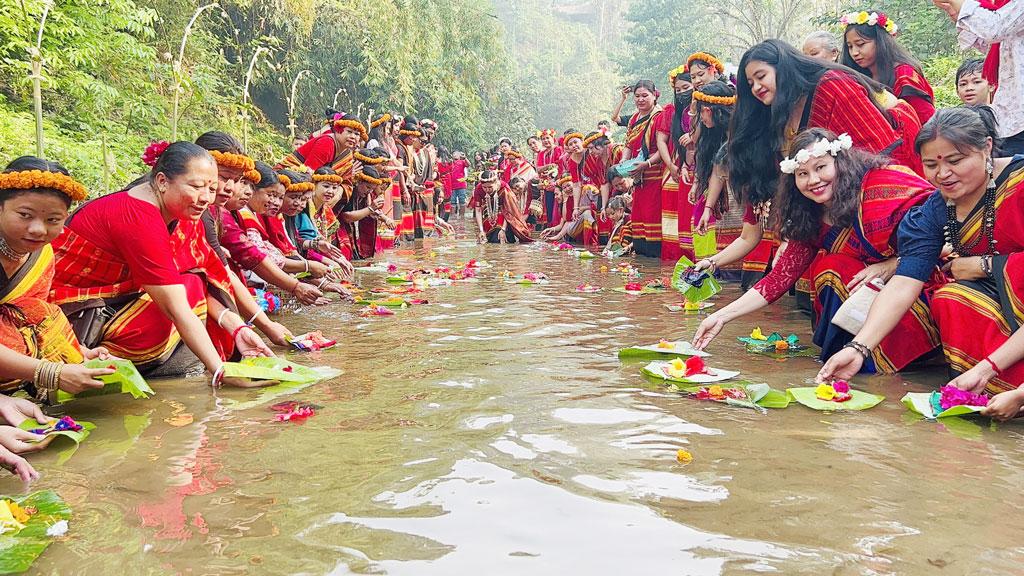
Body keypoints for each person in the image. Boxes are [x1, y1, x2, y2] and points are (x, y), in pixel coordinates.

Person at [693, 128, 939, 372]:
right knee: (829, 268)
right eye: (802, 173)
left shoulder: (880, 185)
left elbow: (942, 231)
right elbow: (778, 279)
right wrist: (720, 316)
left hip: (919, 285)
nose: (813, 180)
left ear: (840, 162)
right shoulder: (810, 217)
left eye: (821, 168)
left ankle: (880, 360)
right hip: (866, 295)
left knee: (833, 267)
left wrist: (890, 265)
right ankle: (848, 363)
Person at [819, 107, 1023, 389]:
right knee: (951, 298)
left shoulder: (1019, 183)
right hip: (991, 297)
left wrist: (987, 266)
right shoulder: (937, 209)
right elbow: (904, 282)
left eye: (955, 160)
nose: (943, 174)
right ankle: (989, 389)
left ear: (986, 147)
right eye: (931, 164)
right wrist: (859, 348)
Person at [52, 142, 274, 379]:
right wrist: (221, 371)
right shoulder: (138, 216)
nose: (206, 198)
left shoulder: (183, 211)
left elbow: (207, 270)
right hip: (76, 310)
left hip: (119, 299)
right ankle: (107, 354)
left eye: (211, 188)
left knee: (194, 280)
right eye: (196, 186)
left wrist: (237, 328)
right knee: (181, 296)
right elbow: (175, 306)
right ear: (161, 181)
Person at [0, 157, 115, 405]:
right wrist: (52, 372)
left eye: (53, 220)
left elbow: (32, 316)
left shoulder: (43, 253)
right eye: (24, 215)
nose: (38, 229)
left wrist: (78, 351)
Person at [934, 0, 1024, 154]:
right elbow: (993, 44)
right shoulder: (1005, 7)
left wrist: (962, 6)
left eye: (976, 81)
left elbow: (995, 28)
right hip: (1008, 118)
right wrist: (958, 14)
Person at [840, 10, 935, 125]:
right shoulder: (856, 77)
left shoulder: (904, 74)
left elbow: (927, 121)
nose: (854, 52)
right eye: (850, 46)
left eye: (860, 44)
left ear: (881, 42)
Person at [611, 80, 664, 257]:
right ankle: (642, 259)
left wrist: (647, 164)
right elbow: (628, 144)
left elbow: (663, 148)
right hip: (636, 175)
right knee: (639, 215)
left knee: (652, 215)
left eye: (645, 96)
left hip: (654, 173)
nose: (640, 100)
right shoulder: (634, 118)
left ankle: (655, 258)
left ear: (654, 95)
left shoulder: (659, 116)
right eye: (637, 96)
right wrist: (623, 162)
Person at [278, 112, 367, 201]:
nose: (353, 137)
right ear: (338, 129)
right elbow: (307, 174)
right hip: (286, 180)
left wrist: (339, 193)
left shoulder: (347, 153)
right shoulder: (327, 143)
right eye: (349, 132)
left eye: (357, 134)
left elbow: (346, 181)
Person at [655, 67, 696, 260]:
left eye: (685, 87)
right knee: (673, 217)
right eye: (677, 90)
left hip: (698, 166)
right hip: (675, 167)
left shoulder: (703, 108)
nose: (681, 93)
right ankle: (674, 258)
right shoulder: (671, 111)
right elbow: (661, 140)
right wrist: (671, 165)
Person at [336, 165, 388, 260]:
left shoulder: (362, 194)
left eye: (372, 189)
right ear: (358, 181)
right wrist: (370, 209)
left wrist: (383, 218)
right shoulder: (348, 191)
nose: (369, 191)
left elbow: (367, 211)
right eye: (368, 187)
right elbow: (346, 217)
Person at [470, 171, 533, 244]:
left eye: (490, 187)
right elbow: (478, 210)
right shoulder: (478, 189)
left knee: (501, 236)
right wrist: (481, 230)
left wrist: (503, 229)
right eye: (484, 187)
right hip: (489, 213)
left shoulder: (504, 187)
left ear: (496, 183)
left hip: (506, 216)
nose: (487, 190)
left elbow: (509, 210)